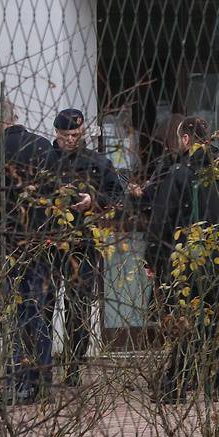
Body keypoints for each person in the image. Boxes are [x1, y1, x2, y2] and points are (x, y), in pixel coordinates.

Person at [38, 108, 127, 388]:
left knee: (78, 306)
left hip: (84, 243)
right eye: (66, 136)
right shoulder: (44, 161)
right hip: (49, 242)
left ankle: (74, 365)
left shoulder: (96, 161)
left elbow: (118, 197)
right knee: (43, 305)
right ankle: (43, 366)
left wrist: (94, 200)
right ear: (57, 134)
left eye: (76, 134)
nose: (71, 140)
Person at [143, 116, 219, 402]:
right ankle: (214, 382)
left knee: (182, 322)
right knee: (215, 320)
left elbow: (162, 219)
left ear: (185, 140)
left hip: (184, 260)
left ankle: (178, 381)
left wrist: (152, 259)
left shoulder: (180, 173)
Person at [0, 98, 54, 404]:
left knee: (12, 316)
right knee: (40, 312)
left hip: (7, 244)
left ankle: (17, 383)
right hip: (41, 242)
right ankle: (42, 380)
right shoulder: (44, 147)